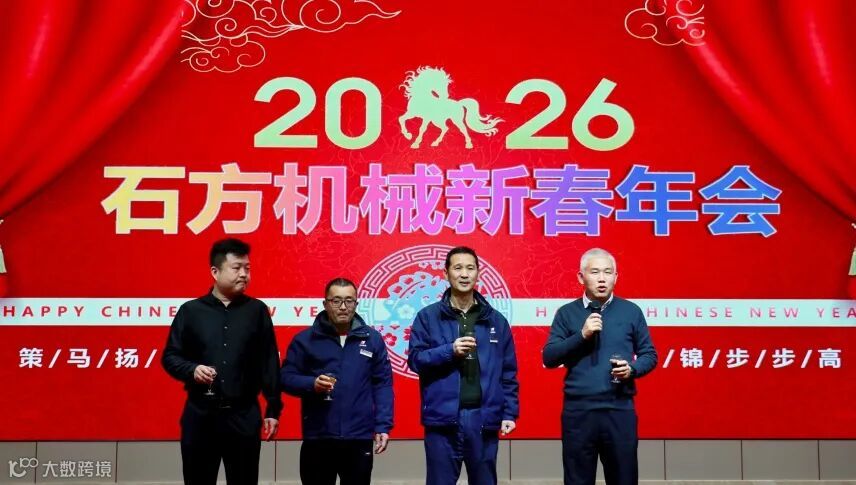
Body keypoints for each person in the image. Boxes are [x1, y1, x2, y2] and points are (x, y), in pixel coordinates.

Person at [162, 238, 282, 485]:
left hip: (243, 415)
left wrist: (273, 409)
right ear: (215, 272)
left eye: (247, 268)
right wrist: (192, 369)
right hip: (201, 415)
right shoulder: (191, 311)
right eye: (236, 268)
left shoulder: (257, 311)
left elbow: (269, 362)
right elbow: (170, 356)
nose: (244, 274)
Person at [542, 248, 657, 485]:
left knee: (624, 479)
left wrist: (632, 369)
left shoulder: (631, 311)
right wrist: (581, 335)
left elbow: (649, 354)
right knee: (577, 480)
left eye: (608, 272)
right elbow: (549, 357)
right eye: (595, 272)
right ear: (581, 277)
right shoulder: (566, 313)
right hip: (579, 412)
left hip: (619, 409)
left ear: (616, 277)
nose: (602, 279)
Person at [407, 246, 519, 485]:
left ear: (478, 273)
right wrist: (449, 351)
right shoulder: (428, 317)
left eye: (470, 268)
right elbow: (415, 360)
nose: (465, 274)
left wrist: (509, 412)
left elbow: (508, 372)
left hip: (483, 420)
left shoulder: (496, 320)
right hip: (442, 420)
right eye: (458, 268)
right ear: (446, 273)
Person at [281, 277, 394, 485]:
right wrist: (312, 384)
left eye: (349, 301)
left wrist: (383, 426)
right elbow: (286, 377)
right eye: (336, 301)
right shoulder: (305, 340)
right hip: (318, 437)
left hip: (358, 438)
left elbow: (383, 385)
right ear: (325, 304)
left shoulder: (372, 339)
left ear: (356, 304)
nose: (343, 307)